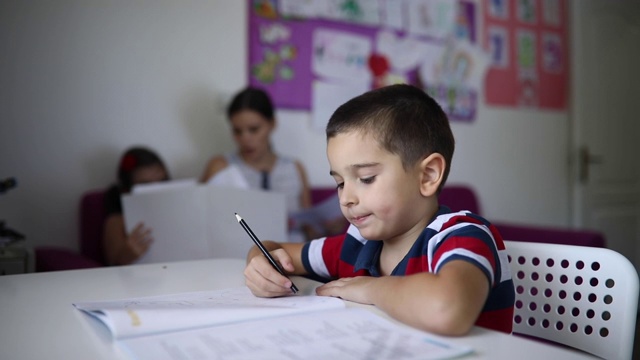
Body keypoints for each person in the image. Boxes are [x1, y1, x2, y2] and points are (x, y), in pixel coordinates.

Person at [244, 84, 515, 336]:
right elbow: (273, 250)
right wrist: (259, 263)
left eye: (366, 179)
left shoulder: (463, 235)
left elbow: (446, 309)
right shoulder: (356, 243)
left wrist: (370, 288)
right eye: (339, 182)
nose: (346, 198)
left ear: (428, 176)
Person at [201, 86, 344, 241]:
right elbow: (203, 224)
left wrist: (327, 228)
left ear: (272, 124)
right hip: (245, 253)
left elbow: (309, 230)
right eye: (237, 131)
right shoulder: (221, 167)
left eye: (254, 129)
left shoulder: (294, 168)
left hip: (292, 255)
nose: (245, 139)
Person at [102, 146, 170, 265]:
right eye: (146, 185)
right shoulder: (117, 221)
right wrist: (125, 255)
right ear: (127, 188)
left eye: (162, 181)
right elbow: (112, 268)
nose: (157, 190)